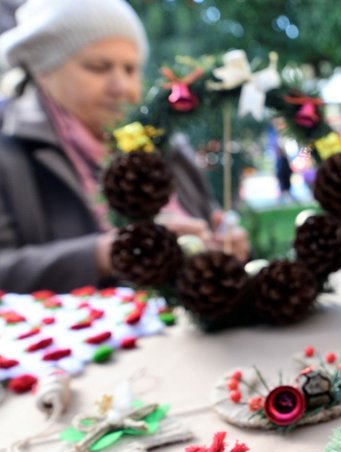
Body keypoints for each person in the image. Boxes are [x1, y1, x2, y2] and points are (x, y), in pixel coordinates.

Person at [0, 0, 248, 293]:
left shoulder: (167, 146)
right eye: (98, 67)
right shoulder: (9, 149)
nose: (121, 87)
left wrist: (226, 246)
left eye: (131, 70)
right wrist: (107, 254)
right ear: (45, 69)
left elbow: (212, 223)